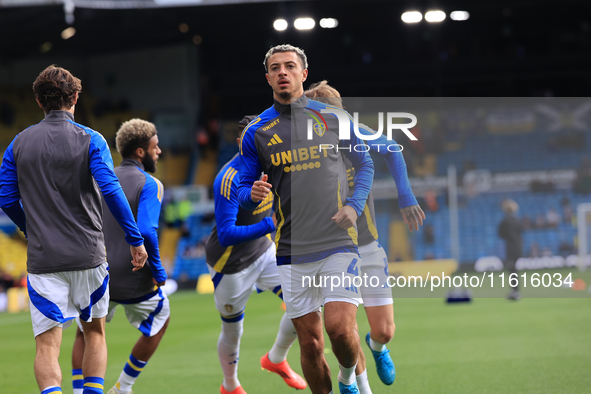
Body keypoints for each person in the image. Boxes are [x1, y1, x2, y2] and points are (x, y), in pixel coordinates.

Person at [0, 65, 147, 394]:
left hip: (43, 262)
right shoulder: (90, 138)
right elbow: (110, 190)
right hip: (88, 256)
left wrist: (29, 228)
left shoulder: (18, 143)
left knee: (47, 346)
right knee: (94, 332)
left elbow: (6, 196)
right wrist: (134, 239)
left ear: (39, 101)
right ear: (76, 97)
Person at [238, 44, 375, 394]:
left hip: (337, 243)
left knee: (340, 330)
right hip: (291, 250)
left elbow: (365, 164)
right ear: (267, 77)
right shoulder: (257, 132)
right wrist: (249, 193)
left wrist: (355, 205)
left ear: (304, 73)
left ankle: (347, 378)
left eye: (289, 66)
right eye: (275, 67)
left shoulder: (333, 118)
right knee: (311, 345)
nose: (282, 72)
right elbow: (240, 186)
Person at [305, 81, 425, 394]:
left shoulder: (355, 134)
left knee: (384, 330)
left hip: (368, 246)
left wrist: (406, 196)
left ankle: (378, 346)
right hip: (331, 250)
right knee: (344, 327)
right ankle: (358, 385)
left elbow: (393, 150)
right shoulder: (303, 145)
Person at [206, 115, 306, 394]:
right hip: (230, 264)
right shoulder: (229, 178)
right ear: (241, 142)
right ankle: (230, 386)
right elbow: (225, 233)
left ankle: (276, 358)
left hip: (265, 252)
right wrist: (268, 225)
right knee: (233, 330)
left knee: (305, 304)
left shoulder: (277, 164)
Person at [70, 119, 170, 394]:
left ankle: (80, 392)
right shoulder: (151, 184)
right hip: (133, 277)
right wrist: (158, 271)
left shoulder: (99, 180)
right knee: (161, 317)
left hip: (96, 273)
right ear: (140, 152)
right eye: (155, 146)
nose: (159, 151)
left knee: (85, 332)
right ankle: (123, 387)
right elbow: (147, 230)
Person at [498, 199, 523, 300]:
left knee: (512, 271)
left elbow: (501, 234)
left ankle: (515, 292)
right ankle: (515, 291)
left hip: (510, 248)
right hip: (518, 247)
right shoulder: (517, 220)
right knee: (514, 270)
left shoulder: (505, 221)